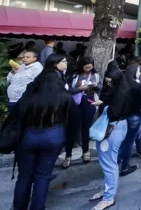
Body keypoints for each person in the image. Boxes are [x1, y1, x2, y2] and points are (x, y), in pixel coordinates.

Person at [11, 71, 73, 210]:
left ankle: (18, 207)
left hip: (28, 136)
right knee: (43, 176)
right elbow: (73, 120)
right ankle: (37, 207)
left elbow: (14, 116)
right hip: (54, 136)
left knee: (24, 176)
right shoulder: (64, 97)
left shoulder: (28, 96)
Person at [88, 66, 129, 210]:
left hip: (113, 127)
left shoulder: (119, 93)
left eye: (110, 82)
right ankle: (107, 191)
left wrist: (102, 105)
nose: (108, 84)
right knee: (109, 162)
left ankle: (108, 197)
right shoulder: (122, 89)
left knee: (109, 163)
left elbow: (113, 112)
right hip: (118, 126)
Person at [64, 56, 100, 168]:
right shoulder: (74, 75)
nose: (88, 68)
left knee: (86, 128)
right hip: (75, 103)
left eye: (90, 66)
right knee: (72, 129)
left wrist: (96, 86)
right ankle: (68, 155)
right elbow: (67, 90)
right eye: (86, 66)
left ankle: (86, 151)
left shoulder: (96, 75)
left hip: (89, 102)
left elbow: (101, 87)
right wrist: (79, 89)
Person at [118, 63, 141, 176]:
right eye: (138, 71)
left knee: (123, 141)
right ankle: (124, 167)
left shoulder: (121, 85)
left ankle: (117, 161)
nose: (139, 73)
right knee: (128, 142)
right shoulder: (137, 86)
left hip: (122, 117)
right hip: (134, 117)